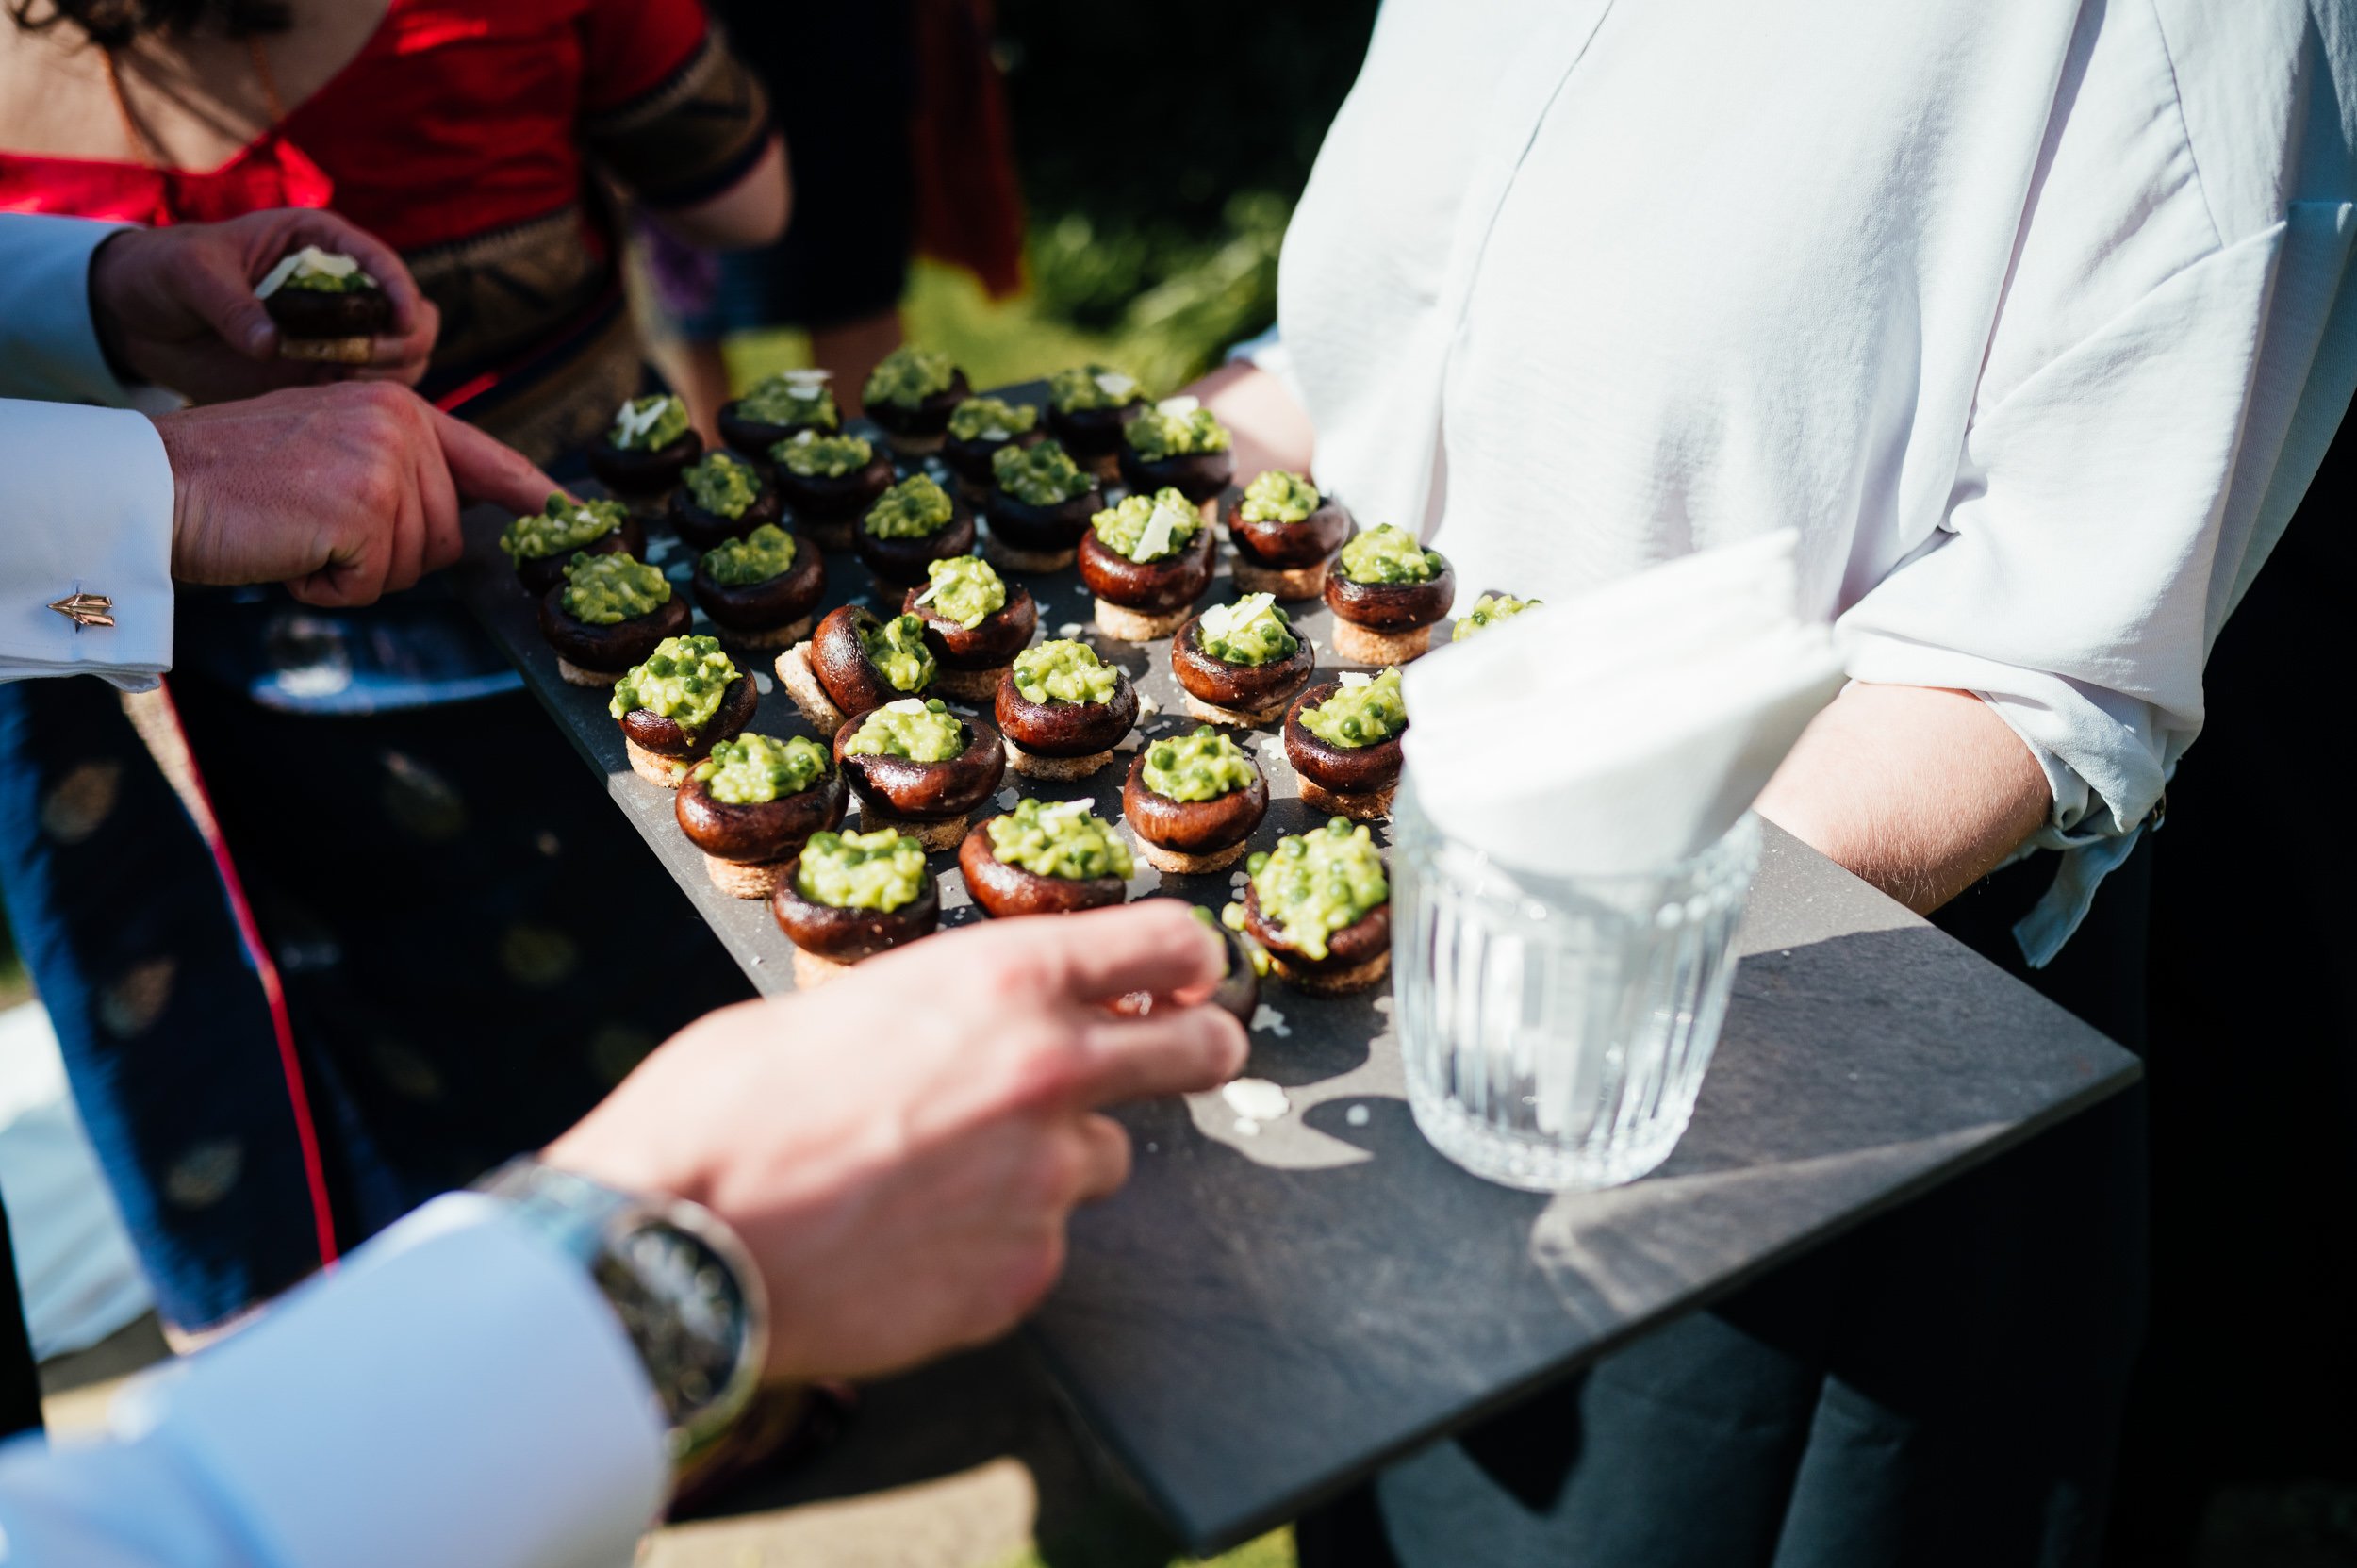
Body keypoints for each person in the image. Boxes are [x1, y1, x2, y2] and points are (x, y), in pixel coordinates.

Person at [1182, 2, 2355, 1565]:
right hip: (1392, 986)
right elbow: (1387, 348)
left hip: (1761, 1053)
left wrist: (1524, 929)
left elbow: (2032, 669)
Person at [0, 0, 794, 1339]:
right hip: (513, 645)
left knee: (374, 1079)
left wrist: (111, 295)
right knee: (617, 1044)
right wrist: (148, 479)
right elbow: (745, 204)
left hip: (147, 662)